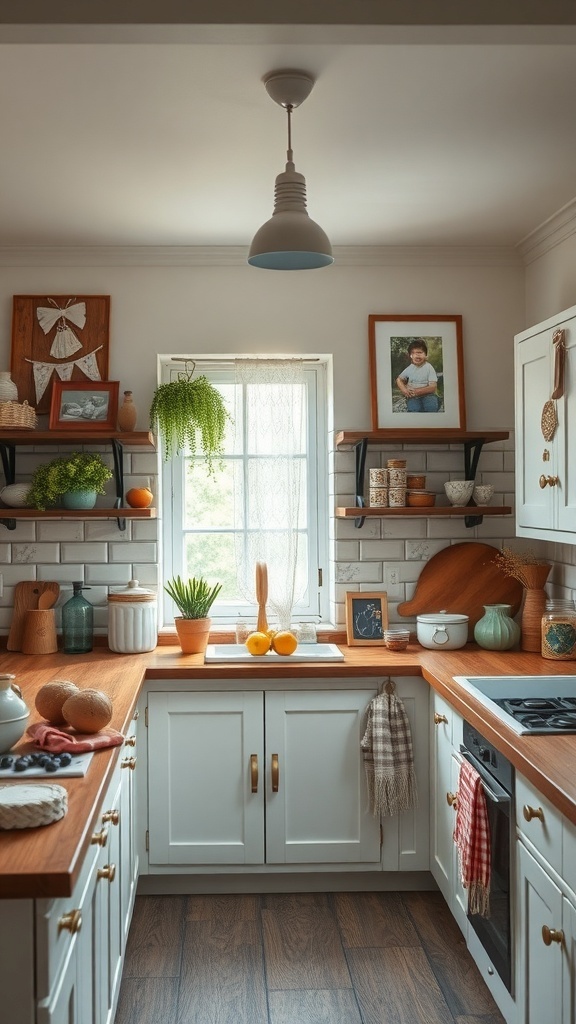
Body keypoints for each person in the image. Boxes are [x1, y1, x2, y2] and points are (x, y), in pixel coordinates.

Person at [395, 339, 439, 412]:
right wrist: (404, 390)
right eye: (413, 353)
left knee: (431, 407)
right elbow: (399, 379)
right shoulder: (410, 368)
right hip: (413, 397)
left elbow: (433, 387)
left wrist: (416, 392)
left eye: (420, 352)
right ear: (410, 356)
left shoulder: (428, 367)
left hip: (428, 395)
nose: (416, 355)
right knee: (414, 409)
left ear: (426, 355)